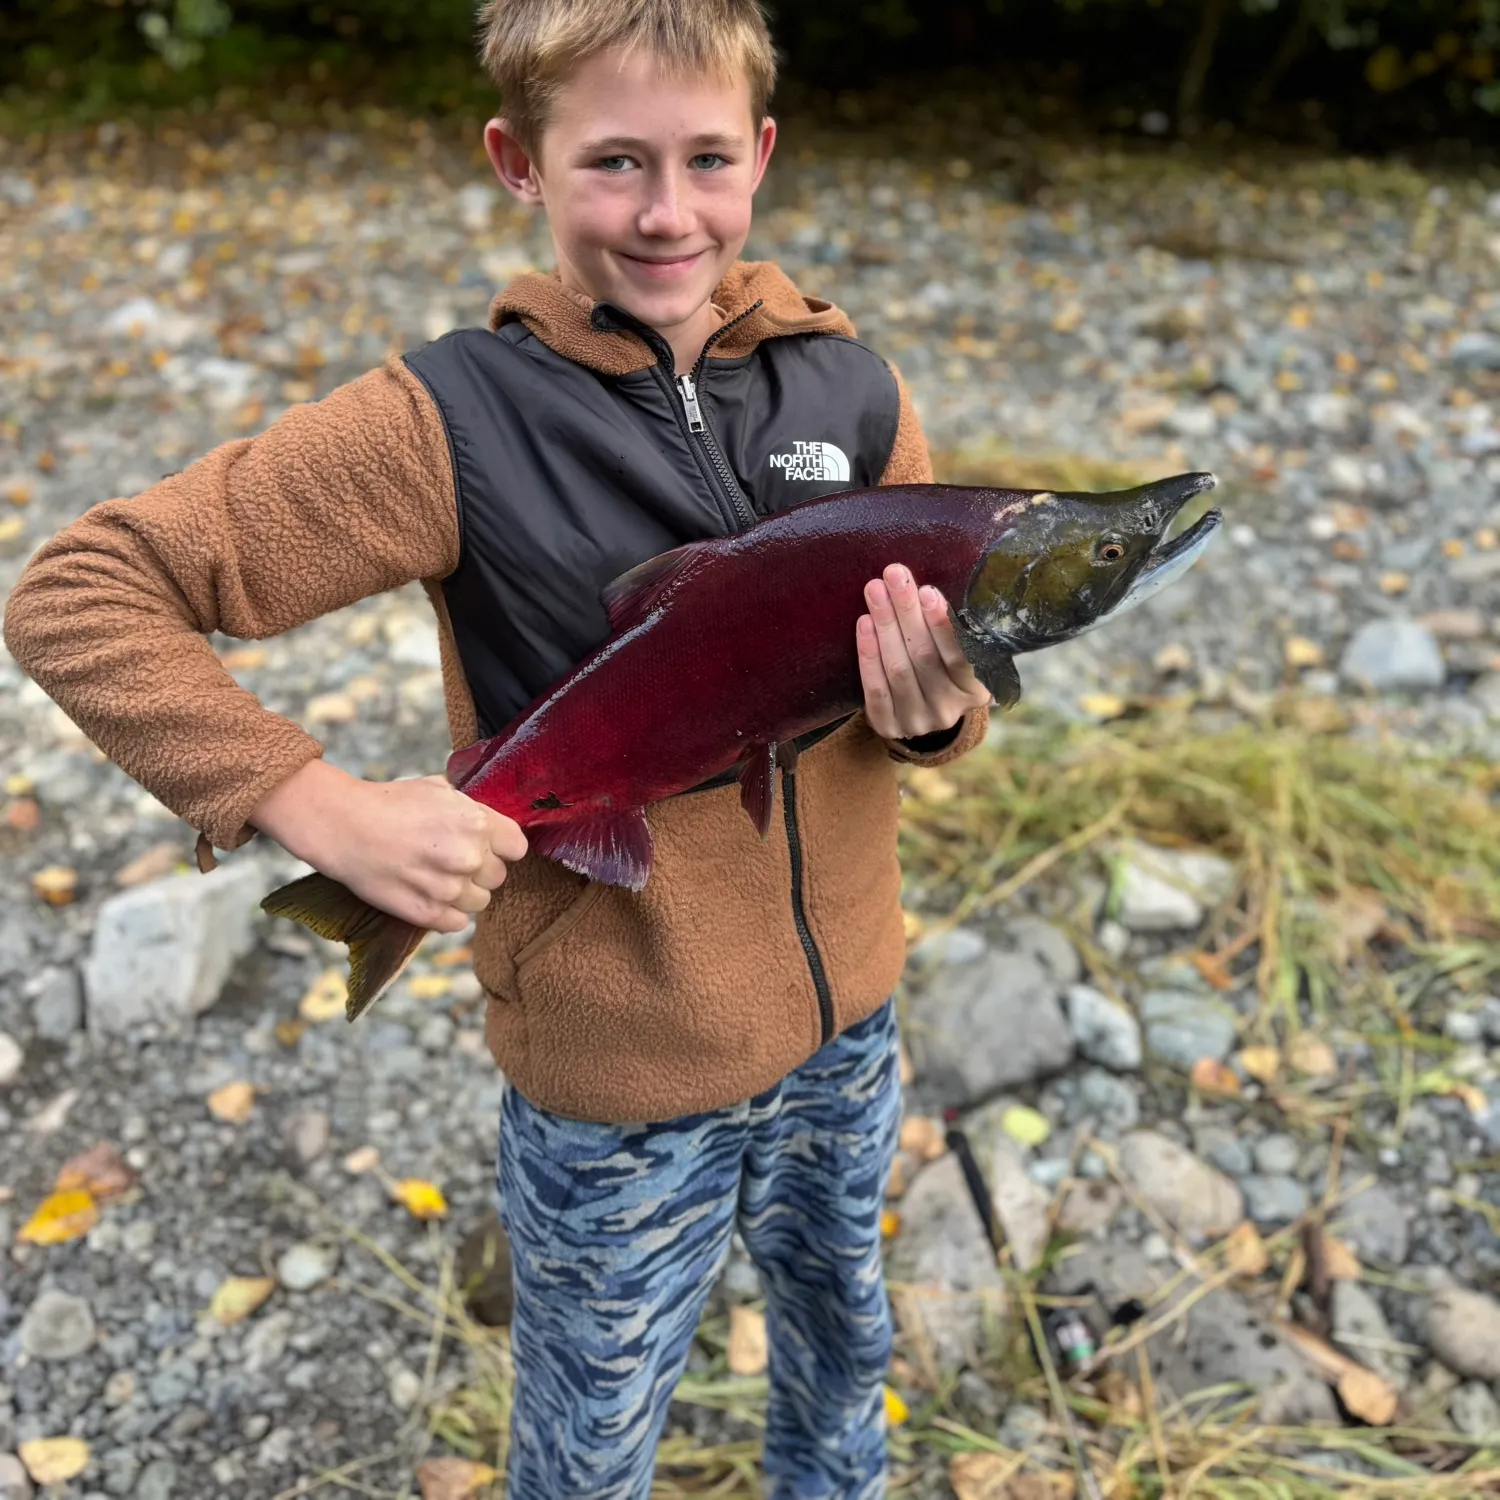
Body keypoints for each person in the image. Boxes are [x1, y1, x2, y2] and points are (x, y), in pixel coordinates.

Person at [3, 0, 993, 1492]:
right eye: (611, 163)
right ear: (516, 162)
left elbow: (937, 671)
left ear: (764, 153)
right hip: (614, 1086)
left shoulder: (854, 391)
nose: (669, 212)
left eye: (708, 159)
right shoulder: (448, 421)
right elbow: (80, 590)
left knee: (845, 1356)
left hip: (850, 1030)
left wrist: (942, 714)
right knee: (590, 1446)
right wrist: (315, 803)